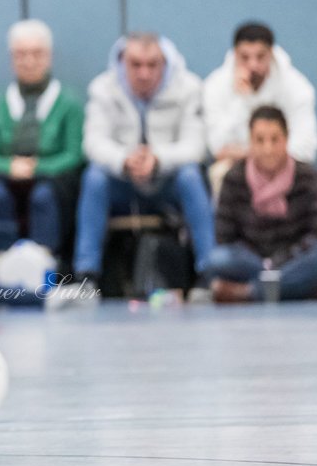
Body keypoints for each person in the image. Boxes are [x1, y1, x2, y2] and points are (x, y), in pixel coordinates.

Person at [74, 33, 213, 288]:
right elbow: (93, 143)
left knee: (191, 175)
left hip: (168, 182)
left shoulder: (189, 88)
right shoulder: (102, 89)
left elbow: (196, 146)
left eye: (152, 65)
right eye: (135, 64)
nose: (144, 73)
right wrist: (125, 160)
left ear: (166, 63)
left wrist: (158, 159)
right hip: (122, 183)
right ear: (121, 63)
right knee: (94, 177)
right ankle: (86, 275)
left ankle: (209, 272)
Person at [204, 106, 317, 302]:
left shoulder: (306, 176)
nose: (268, 149)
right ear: (250, 142)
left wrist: (283, 259)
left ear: (286, 139)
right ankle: (305, 289)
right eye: (260, 140)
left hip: (296, 258)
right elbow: (224, 237)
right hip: (252, 262)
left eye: (275, 140)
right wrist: (265, 264)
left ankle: (249, 293)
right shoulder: (234, 177)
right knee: (216, 260)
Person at [0, 19, 84, 257]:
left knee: (43, 195)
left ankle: (44, 261)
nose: (29, 62)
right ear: (11, 58)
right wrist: (11, 166)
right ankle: (0, 260)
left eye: (37, 54)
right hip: (8, 177)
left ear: (49, 56)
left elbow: (74, 154)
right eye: (21, 54)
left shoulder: (68, 101)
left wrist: (37, 168)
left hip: (52, 180)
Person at [203, 22, 317, 197]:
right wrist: (241, 101)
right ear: (235, 54)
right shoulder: (215, 86)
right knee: (220, 172)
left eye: (260, 56)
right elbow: (217, 147)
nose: (253, 65)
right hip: (237, 170)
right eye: (245, 57)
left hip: (284, 167)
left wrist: (261, 157)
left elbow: (306, 148)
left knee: (305, 174)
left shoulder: (298, 88)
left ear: (271, 54)